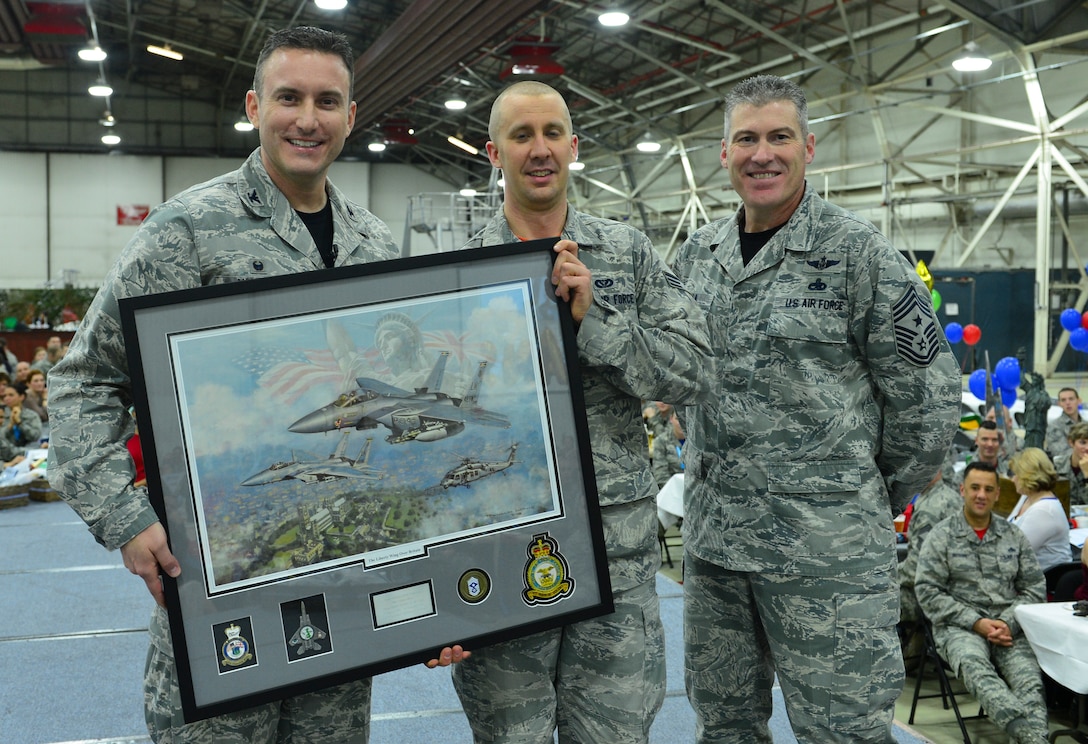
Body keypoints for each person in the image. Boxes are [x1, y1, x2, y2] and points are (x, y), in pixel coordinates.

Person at [47, 26, 465, 744]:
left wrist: (430, 594)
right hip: (221, 597)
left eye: (327, 100)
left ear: (351, 116)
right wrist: (126, 518)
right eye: (289, 98)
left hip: (343, 601)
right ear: (253, 105)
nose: (308, 118)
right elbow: (81, 384)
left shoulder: (372, 242)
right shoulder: (189, 230)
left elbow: (389, 415)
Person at [671, 74, 960, 743]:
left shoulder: (858, 253)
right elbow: (673, 372)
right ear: (723, 152)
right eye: (746, 138)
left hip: (827, 560)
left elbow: (931, 398)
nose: (762, 154)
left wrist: (860, 492)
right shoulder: (698, 256)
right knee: (724, 729)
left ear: (808, 146)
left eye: (778, 137)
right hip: (717, 550)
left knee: (843, 734)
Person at [451, 80, 712, 743]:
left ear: (573, 146)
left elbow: (694, 371)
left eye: (551, 134)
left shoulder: (626, 252)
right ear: (493, 153)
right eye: (520, 135)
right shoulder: (449, 269)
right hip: (498, 552)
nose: (538, 150)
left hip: (615, 563)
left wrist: (596, 321)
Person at [915, 461, 1049, 744]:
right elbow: (927, 591)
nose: (981, 495)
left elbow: (1035, 587)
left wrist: (1006, 622)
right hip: (960, 628)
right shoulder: (942, 536)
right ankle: (1028, 736)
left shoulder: (1013, 535)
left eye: (989, 489)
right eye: (975, 488)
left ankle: (1032, 739)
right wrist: (976, 622)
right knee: (978, 671)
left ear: (997, 494)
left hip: (1007, 628)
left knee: (1030, 683)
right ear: (962, 490)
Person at [899, 469, 962, 626]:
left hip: (932, 595)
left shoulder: (928, 510)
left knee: (873, 600)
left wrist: (887, 575)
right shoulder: (951, 496)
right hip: (954, 587)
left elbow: (917, 570)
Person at [1007, 447, 1071, 572]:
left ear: (1028, 476)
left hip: (1042, 582)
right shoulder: (1026, 497)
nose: (1013, 479)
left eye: (1017, 475)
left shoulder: (1044, 511)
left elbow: (1012, 552)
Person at [1053, 421, 1088, 506]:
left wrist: (1087, 474)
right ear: (1071, 442)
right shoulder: (1057, 465)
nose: (1087, 448)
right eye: (1082, 442)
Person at [1046, 387, 1085, 461]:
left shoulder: (1085, 424)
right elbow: (1061, 453)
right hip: (1067, 469)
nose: (1068, 403)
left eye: (1071, 399)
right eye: (1063, 400)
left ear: (1079, 401)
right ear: (1059, 404)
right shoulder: (1054, 426)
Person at [2, 382, 42, 449]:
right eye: (5, 396)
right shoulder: (2, 415)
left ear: (22, 397)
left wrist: (19, 423)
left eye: (11, 395)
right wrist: (11, 425)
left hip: (29, 450)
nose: (6, 398)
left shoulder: (31, 415)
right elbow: (1, 437)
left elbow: (35, 436)